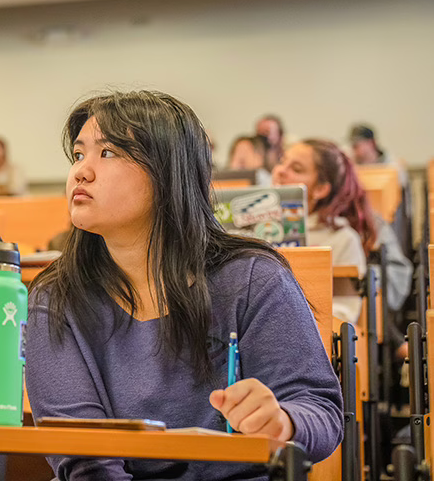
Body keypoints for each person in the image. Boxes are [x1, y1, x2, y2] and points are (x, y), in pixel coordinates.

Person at [27, 91, 342, 481]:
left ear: (168, 170)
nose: (81, 172)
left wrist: (283, 421)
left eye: (107, 153)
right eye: (78, 155)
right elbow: (86, 461)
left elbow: (320, 411)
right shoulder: (55, 298)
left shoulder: (252, 278)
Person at [273, 139, 411, 320]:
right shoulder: (261, 229)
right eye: (282, 161)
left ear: (320, 189)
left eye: (296, 169)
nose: (280, 171)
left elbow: (342, 316)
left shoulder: (342, 238)